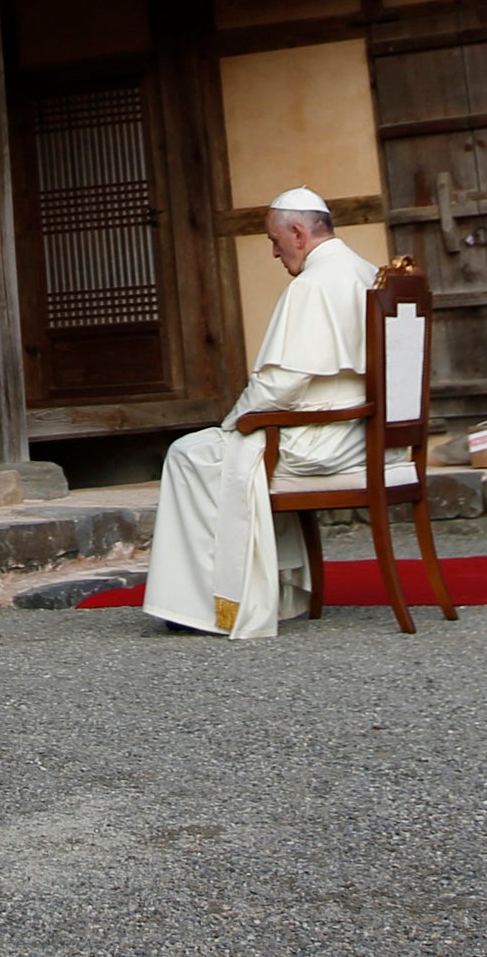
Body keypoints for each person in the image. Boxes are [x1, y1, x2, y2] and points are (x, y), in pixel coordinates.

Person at [141, 189, 383, 637]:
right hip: (358, 433)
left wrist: (234, 422)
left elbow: (279, 384)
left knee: (188, 453)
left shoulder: (313, 284)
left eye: (275, 241)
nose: (274, 252)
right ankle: (275, 590)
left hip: (321, 440)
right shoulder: (367, 271)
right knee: (216, 451)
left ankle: (210, 606)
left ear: (298, 234)